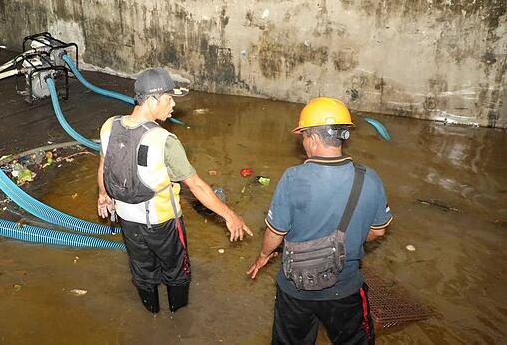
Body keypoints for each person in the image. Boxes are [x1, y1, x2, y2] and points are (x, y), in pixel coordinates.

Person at [97, 68, 252, 314]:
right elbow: (197, 186)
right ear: (151, 100)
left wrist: (103, 195)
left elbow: (104, 166)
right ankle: (178, 318)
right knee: (178, 271)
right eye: (169, 98)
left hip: (127, 219)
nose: (173, 104)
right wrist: (230, 215)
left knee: (142, 270)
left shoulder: (110, 127)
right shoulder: (163, 140)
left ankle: (152, 316)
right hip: (163, 223)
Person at [246, 97, 393, 345]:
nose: (303, 142)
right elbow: (378, 232)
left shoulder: (293, 178)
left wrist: (263, 255)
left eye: (303, 136)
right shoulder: (369, 178)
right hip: (345, 288)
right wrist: (352, 239)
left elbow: (275, 235)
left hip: (296, 290)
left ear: (312, 138)